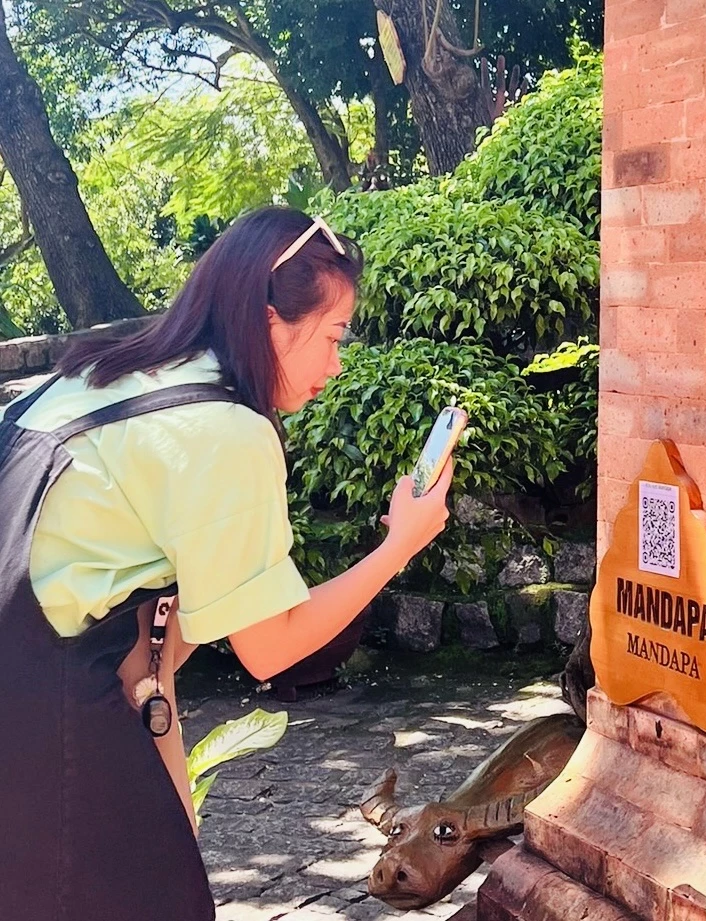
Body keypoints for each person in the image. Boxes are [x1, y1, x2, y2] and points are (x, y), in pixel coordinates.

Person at [0, 206, 452, 921]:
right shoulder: (225, 431)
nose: (337, 365)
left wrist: (176, 814)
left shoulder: (108, 368)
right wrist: (400, 543)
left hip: (49, 687)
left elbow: (151, 644)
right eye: (334, 336)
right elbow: (270, 645)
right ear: (272, 320)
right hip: (48, 717)